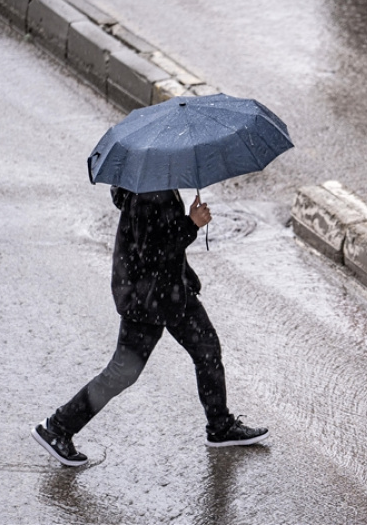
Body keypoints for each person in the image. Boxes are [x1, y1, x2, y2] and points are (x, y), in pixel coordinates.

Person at [32, 187, 268, 467]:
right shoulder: (147, 193)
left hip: (172, 291)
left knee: (207, 349)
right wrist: (191, 223)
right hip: (146, 299)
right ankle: (57, 427)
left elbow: (162, 240)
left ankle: (220, 426)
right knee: (122, 372)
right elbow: (153, 254)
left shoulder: (159, 185)